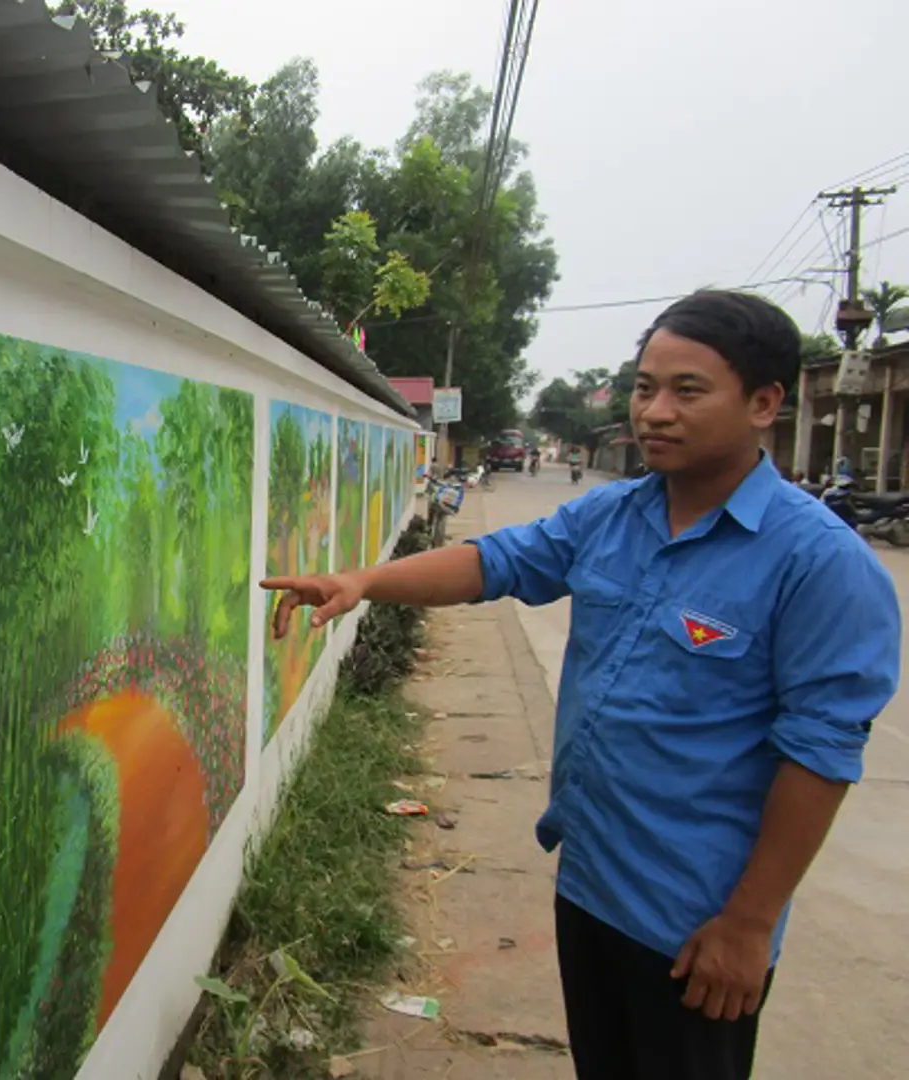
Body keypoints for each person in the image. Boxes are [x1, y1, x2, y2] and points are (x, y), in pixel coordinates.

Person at [261, 290, 900, 1080]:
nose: (654, 411)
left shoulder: (819, 563)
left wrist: (748, 924)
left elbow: (821, 753)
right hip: (592, 882)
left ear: (765, 403)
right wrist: (360, 581)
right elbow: (494, 563)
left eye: (687, 391)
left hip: (693, 921)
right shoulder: (613, 517)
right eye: (644, 387)